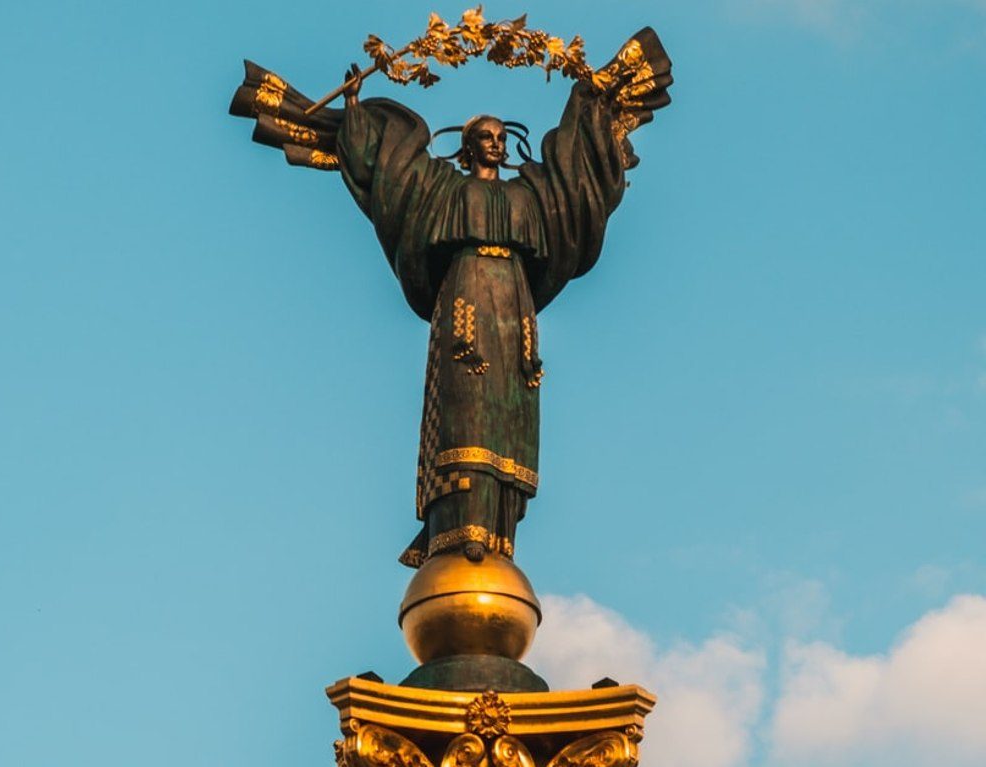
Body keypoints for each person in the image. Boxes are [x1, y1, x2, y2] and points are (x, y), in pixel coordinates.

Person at [229, 28, 672, 568]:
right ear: (468, 147)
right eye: (484, 136)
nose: (495, 143)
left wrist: (595, 108)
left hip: (514, 305)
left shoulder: (528, 194)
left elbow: (575, 183)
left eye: (499, 136)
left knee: (509, 413)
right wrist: (355, 114)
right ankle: (455, 525)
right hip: (464, 300)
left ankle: (500, 531)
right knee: (466, 410)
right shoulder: (442, 189)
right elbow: (392, 172)